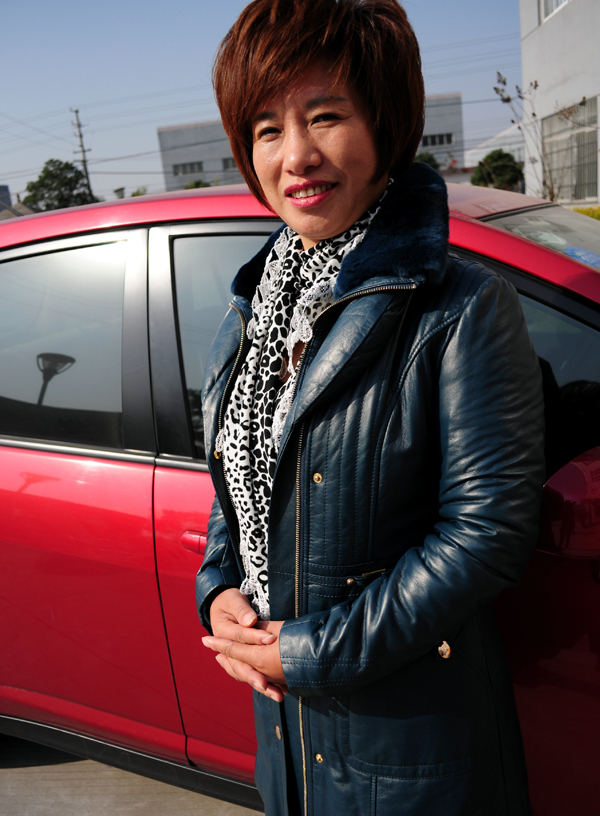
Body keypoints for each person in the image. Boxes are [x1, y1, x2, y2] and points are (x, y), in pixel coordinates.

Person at [196, 1, 545, 814]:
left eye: (326, 116)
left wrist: (309, 654)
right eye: (267, 129)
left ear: (385, 123)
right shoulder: (253, 311)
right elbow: (242, 489)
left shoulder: (460, 309)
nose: (296, 155)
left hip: (409, 752)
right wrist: (219, 593)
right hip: (288, 738)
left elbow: (486, 536)